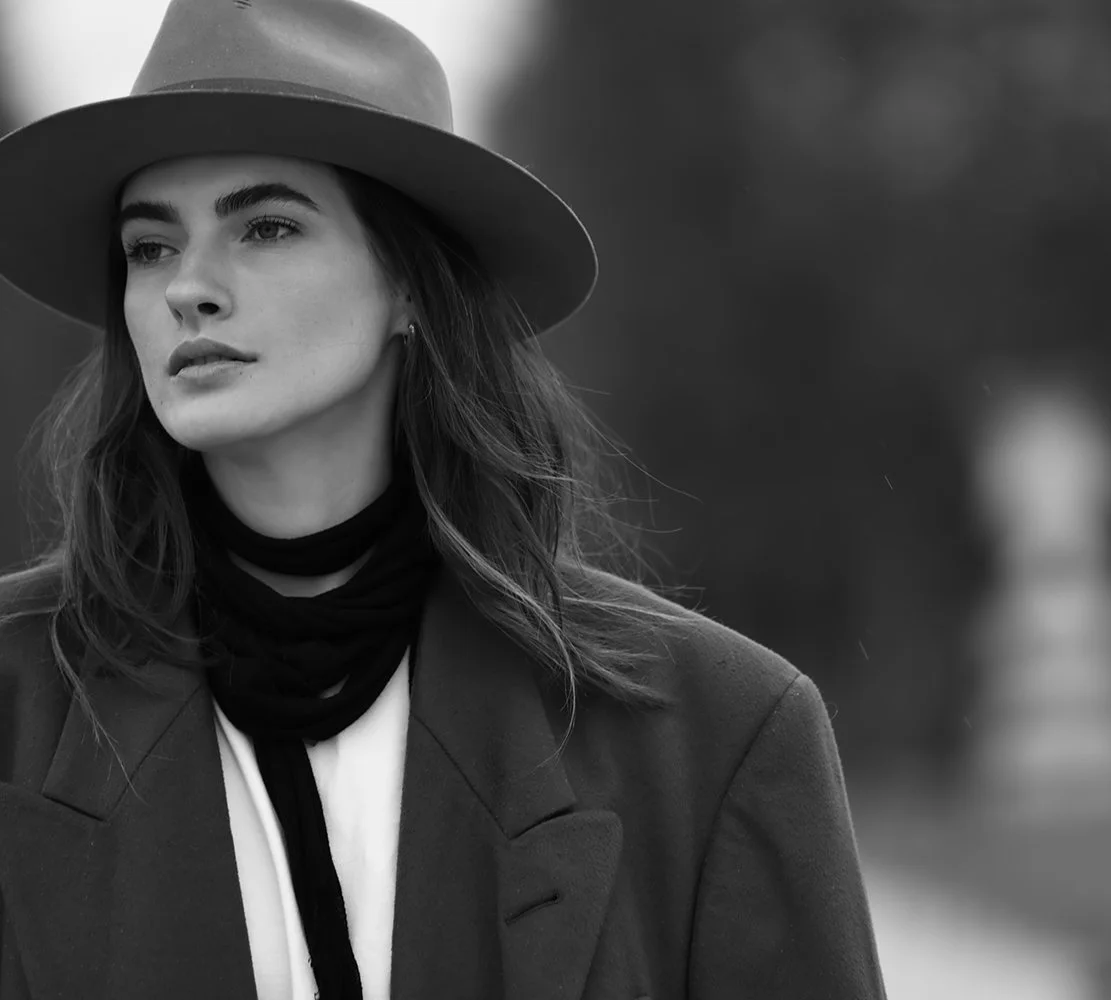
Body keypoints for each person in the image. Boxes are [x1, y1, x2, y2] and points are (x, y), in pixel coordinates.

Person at [0, 1, 886, 997]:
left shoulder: (716, 735)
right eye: (150, 247)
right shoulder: (18, 697)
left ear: (411, 287)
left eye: (267, 226)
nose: (187, 288)